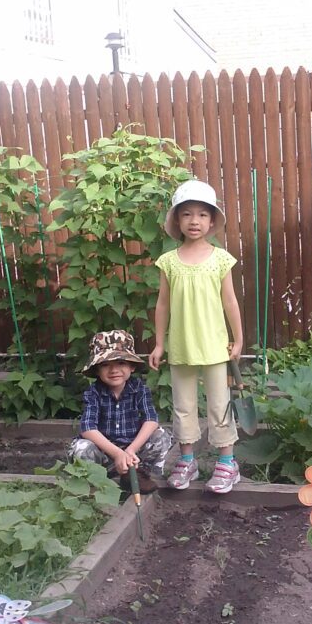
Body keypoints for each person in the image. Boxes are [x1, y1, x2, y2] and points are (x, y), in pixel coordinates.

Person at [149, 179, 244, 493]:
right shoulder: (169, 262)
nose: (194, 221)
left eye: (202, 215)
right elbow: (163, 303)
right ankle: (186, 459)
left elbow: (230, 301)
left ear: (212, 220)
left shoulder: (220, 259)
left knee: (220, 405)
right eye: (187, 214)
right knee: (184, 405)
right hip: (181, 347)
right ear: (177, 220)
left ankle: (227, 463)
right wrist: (160, 343)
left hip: (215, 347)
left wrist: (238, 339)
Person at [67, 329, 173, 493]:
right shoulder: (93, 392)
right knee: (81, 447)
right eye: (105, 365)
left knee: (162, 436)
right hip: (104, 453)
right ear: (96, 370)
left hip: (133, 453)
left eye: (121, 363)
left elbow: (151, 419)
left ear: (132, 367)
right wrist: (117, 454)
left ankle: (138, 474)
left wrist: (130, 450)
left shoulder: (139, 388)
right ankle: (94, 482)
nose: (113, 370)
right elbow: (87, 427)